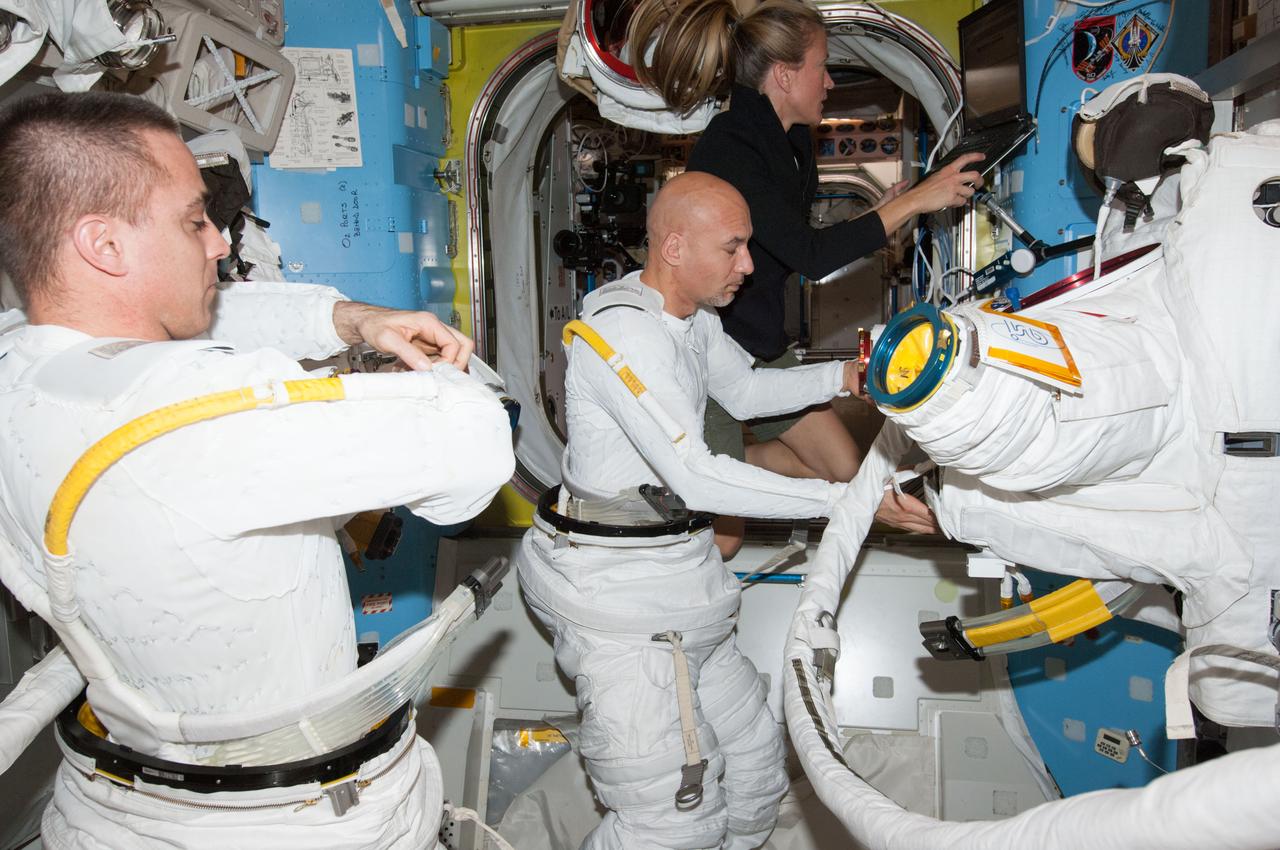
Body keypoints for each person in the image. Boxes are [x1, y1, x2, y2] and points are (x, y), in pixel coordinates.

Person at [0, 91, 515, 848]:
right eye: (192, 220)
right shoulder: (203, 411)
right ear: (104, 246)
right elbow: (478, 446)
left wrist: (347, 319)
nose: (217, 243)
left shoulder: (22, 360)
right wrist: (437, 378)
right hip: (289, 824)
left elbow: (182, 316)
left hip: (118, 811)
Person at [518, 171, 898, 849]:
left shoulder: (688, 319)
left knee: (755, 768)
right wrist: (844, 501)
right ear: (673, 249)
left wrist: (845, 377)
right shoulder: (624, 336)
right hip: (616, 600)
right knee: (668, 824)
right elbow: (696, 476)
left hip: (677, 581)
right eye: (733, 248)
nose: (749, 266)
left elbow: (746, 391)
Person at [628, 0, 979, 549]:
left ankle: (720, 462)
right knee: (723, 542)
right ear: (785, 74)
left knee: (844, 468)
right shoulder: (732, 144)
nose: (830, 81)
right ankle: (675, 469)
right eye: (821, 65)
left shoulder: (792, 143)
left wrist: (879, 210)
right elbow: (812, 256)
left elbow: (789, 244)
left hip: (759, 341)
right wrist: (915, 205)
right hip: (713, 346)